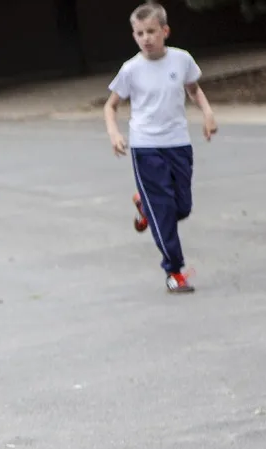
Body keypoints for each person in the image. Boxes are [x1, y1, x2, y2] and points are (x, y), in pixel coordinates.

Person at [104, 2, 217, 295]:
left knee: (182, 207)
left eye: (151, 31)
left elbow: (193, 88)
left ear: (165, 31)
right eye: (139, 33)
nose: (146, 38)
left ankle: (145, 206)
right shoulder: (131, 69)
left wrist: (207, 113)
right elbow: (111, 105)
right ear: (134, 35)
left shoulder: (182, 60)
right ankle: (174, 271)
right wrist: (114, 133)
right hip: (146, 147)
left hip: (178, 142)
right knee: (164, 213)